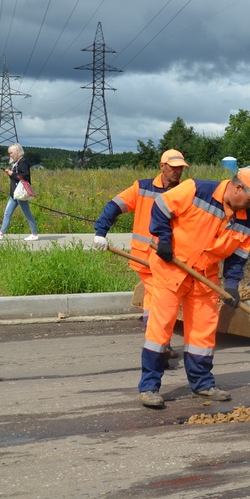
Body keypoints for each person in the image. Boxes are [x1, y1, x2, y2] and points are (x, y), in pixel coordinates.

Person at [137, 168, 250, 408]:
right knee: (160, 329)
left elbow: (238, 256)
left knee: (203, 333)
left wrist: (232, 285)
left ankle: (202, 384)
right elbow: (161, 206)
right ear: (238, 188)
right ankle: (149, 387)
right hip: (171, 270)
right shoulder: (196, 190)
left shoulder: (247, 221)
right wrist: (164, 239)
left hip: (204, 277)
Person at [92, 149, 189, 363]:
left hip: (170, 258)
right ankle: (159, 346)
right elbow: (114, 206)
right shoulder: (142, 188)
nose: (177, 171)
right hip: (145, 258)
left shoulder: (185, 191)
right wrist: (101, 232)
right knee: (161, 300)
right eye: (173, 167)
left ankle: (159, 342)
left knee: (154, 299)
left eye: (180, 168)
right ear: (162, 166)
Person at [0, 143, 39, 241]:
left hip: (20, 194)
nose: (10, 155)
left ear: (17, 151)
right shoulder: (17, 162)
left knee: (27, 213)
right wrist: (10, 174)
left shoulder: (23, 162)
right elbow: (16, 176)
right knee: (7, 213)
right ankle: (1, 233)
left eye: (11, 153)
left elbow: (24, 176)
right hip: (14, 194)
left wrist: (12, 174)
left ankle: (34, 234)